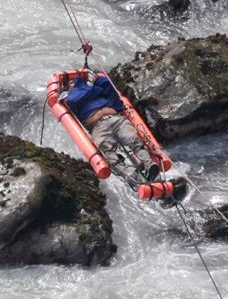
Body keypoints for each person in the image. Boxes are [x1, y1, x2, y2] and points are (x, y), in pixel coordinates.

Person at [63, 71, 187, 202]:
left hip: (116, 119)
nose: (72, 86)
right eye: (70, 85)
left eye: (73, 84)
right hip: (98, 127)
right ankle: (132, 176)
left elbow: (110, 88)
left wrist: (97, 81)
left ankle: (149, 165)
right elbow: (75, 98)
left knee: (135, 141)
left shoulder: (98, 93)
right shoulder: (72, 100)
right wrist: (91, 86)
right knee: (108, 153)